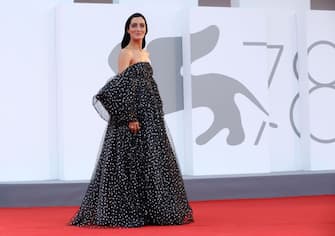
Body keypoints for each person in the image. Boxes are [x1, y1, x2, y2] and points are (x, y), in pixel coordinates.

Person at [68, 12, 193, 228]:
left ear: (146, 29)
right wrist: (129, 116)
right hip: (134, 116)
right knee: (130, 161)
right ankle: (128, 210)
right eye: (134, 25)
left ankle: (150, 210)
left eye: (141, 25)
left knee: (150, 160)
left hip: (150, 115)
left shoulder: (145, 52)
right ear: (128, 29)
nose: (138, 28)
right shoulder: (125, 53)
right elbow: (121, 87)